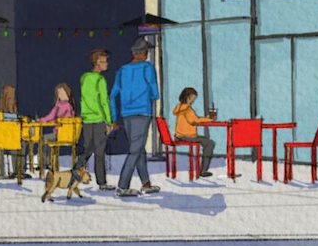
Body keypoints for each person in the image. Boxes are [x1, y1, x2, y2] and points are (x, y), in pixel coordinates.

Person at [110, 39, 162, 198]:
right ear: (144, 53)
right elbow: (155, 93)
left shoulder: (122, 70)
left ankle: (146, 184)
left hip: (126, 115)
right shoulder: (148, 68)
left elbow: (112, 96)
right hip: (142, 113)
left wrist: (114, 118)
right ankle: (122, 186)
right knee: (135, 150)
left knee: (138, 150)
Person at [74, 49, 113, 190]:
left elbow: (84, 99)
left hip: (86, 119)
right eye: (104, 61)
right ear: (98, 62)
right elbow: (104, 102)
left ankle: (74, 174)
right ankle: (101, 183)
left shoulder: (84, 78)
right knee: (99, 153)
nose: (107, 64)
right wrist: (109, 122)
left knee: (86, 150)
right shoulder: (100, 80)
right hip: (98, 120)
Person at [172, 87, 217, 179]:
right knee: (209, 143)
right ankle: (203, 170)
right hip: (187, 136)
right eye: (192, 98)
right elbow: (194, 120)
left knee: (206, 140)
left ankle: (203, 169)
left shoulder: (179, 106)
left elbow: (193, 120)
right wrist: (209, 119)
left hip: (180, 135)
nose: (193, 100)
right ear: (188, 97)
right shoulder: (187, 109)